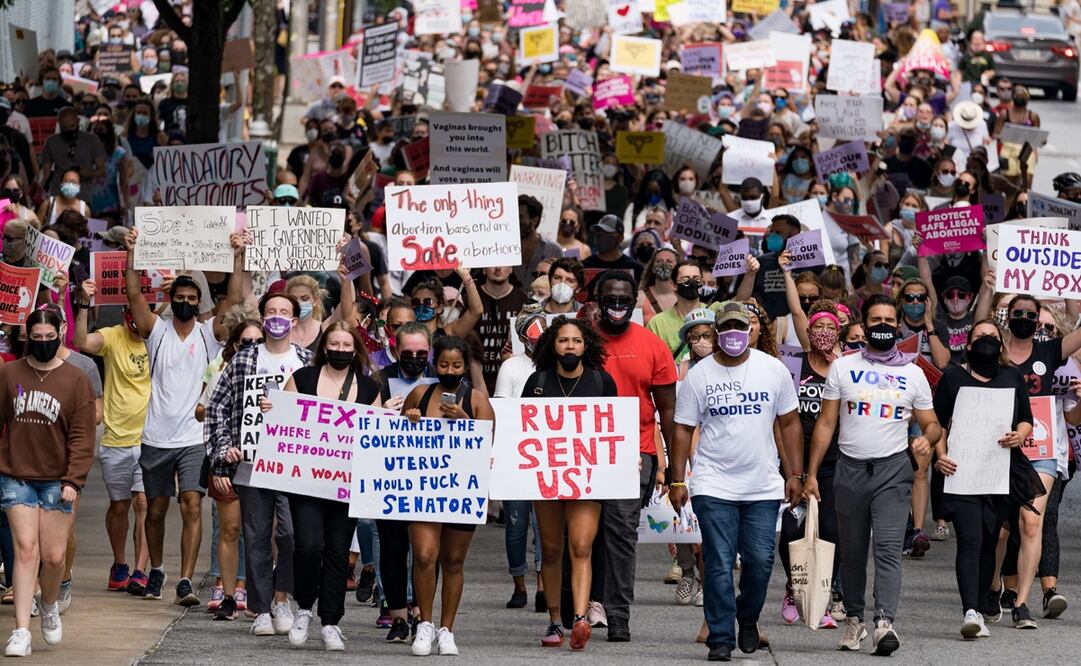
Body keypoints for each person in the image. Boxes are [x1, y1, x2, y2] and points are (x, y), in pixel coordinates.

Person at [805, 294, 942, 656]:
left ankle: (884, 622)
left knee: (886, 550)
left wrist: (927, 441)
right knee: (852, 552)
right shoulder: (843, 367)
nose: (883, 325)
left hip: (893, 472)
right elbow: (826, 422)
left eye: (889, 320)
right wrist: (811, 473)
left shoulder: (913, 373)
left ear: (898, 326)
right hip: (850, 470)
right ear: (863, 326)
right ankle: (854, 619)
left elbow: (932, 424)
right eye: (876, 320)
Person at [669, 301, 804, 662]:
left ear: (750, 331)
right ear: (716, 333)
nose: (732, 334)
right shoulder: (699, 375)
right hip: (713, 485)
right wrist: (677, 480)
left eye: (738, 327)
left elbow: (789, 423)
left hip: (762, 484)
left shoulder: (773, 370)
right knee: (718, 562)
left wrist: (796, 473)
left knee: (760, 562)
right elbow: (682, 428)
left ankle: (748, 618)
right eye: (725, 327)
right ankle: (720, 636)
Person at [122, 228, 243, 604]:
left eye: (193, 298)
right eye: (181, 297)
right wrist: (132, 253)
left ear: (200, 300)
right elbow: (133, 294)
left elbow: (235, 301)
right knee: (154, 511)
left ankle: (186, 580)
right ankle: (157, 568)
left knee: (192, 502)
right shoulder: (155, 331)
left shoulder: (210, 334)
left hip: (195, 436)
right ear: (171, 300)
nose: (187, 302)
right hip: (155, 434)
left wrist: (237, 257)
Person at [259, 322, 380, 651]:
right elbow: (283, 419)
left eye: (346, 345)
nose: (340, 350)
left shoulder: (369, 388)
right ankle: (304, 608)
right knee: (308, 545)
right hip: (307, 482)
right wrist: (272, 410)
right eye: (334, 344)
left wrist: (391, 416)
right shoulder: (302, 379)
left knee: (339, 552)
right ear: (323, 347)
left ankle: (330, 621)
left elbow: (378, 434)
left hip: (347, 485)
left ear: (355, 350)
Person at [205, 292, 311, 633]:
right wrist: (224, 449)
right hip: (252, 467)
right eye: (270, 311)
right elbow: (217, 406)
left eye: (284, 312)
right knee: (256, 536)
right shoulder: (244, 359)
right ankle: (261, 607)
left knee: (291, 535)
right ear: (262, 318)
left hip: (296, 469)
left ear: (295, 321)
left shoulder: (307, 361)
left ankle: (283, 599)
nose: (277, 316)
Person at [932, 320, 1039, 640]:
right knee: (970, 538)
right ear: (968, 343)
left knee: (990, 540)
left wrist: (1018, 436)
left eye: (993, 337)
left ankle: (980, 603)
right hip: (961, 471)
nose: (987, 342)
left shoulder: (1011, 377)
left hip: (997, 473)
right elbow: (937, 422)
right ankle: (970, 611)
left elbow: (1026, 419)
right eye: (981, 337)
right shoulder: (953, 376)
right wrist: (941, 454)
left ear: (1001, 344)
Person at [0, 308, 95, 656]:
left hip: (58, 480)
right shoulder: (9, 374)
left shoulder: (76, 379)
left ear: (61, 334)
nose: (43, 343)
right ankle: (21, 629)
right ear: (27, 337)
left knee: (54, 557)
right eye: (36, 338)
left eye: (48, 338)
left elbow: (83, 436)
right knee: (26, 550)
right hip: (16, 475)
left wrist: (74, 478)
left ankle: (50, 604)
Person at [522, 317, 618, 650]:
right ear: (553, 345)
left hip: (587, 480)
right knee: (550, 550)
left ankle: (579, 618)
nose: (570, 346)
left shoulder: (601, 381)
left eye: (576, 341)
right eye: (563, 340)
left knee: (580, 546)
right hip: (546, 479)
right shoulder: (537, 382)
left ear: (586, 345)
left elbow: (614, 430)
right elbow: (522, 431)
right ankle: (553, 620)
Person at [593, 270, 676, 641]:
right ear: (596, 301)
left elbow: (669, 412)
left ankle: (618, 614)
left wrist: (672, 466)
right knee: (582, 535)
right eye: (609, 299)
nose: (616, 307)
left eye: (624, 301)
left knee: (621, 534)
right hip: (584, 451)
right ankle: (583, 604)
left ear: (634, 302)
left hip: (635, 453)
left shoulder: (652, 345)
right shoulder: (578, 340)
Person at [403, 336, 495, 657]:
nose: (450, 370)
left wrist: (465, 421)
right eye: (444, 365)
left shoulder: (478, 400)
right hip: (423, 487)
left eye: (457, 365)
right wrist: (411, 421)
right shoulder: (419, 393)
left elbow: (488, 445)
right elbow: (396, 440)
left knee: (453, 561)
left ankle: (447, 629)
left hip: (461, 490)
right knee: (425, 555)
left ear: (465, 366)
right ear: (434, 363)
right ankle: (424, 624)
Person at [646, 260, 714, 361]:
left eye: (697, 279)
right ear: (673, 285)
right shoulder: (657, 323)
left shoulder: (714, 313)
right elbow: (650, 359)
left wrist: (747, 275)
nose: (692, 283)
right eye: (685, 280)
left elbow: (741, 299)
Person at [514, 195, 563, 287]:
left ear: (535, 221)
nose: (515, 221)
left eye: (520, 217)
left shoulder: (553, 250)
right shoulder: (505, 248)